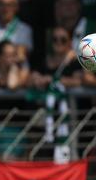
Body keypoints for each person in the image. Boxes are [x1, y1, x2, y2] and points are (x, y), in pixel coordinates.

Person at [27, 26, 82, 163]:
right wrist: (36, 79)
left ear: (70, 42)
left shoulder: (75, 62)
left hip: (67, 120)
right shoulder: (42, 60)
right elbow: (30, 77)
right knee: (40, 158)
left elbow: (78, 81)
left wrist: (53, 80)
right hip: (43, 120)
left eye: (63, 40)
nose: (58, 42)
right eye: (55, 39)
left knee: (68, 157)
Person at [10, 0, 54, 68]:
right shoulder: (6, 4)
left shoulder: (44, 2)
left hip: (37, 59)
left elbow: (50, 30)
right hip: (10, 58)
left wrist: (50, 54)